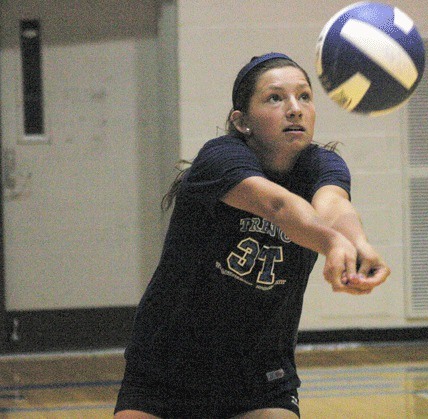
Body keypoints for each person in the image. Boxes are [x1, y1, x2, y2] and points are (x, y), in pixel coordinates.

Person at [114, 52, 390, 418]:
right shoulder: (220, 158)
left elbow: (335, 206)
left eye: (304, 96)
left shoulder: (323, 164)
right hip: (166, 368)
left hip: (260, 376)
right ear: (241, 121)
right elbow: (277, 206)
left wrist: (358, 244)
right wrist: (331, 242)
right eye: (276, 98)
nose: (295, 109)